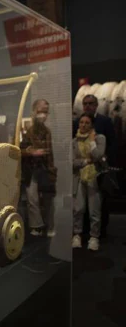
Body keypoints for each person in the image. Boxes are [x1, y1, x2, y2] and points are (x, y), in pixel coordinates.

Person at [73, 94, 117, 238]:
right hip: (81, 170)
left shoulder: (105, 121)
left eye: (91, 103)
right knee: (80, 206)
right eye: (85, 103)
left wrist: (104, 160)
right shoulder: (76, 123)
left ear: (96, 105)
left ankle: (99, 233)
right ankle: (82, 232)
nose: (87, 106)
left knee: (98, 206)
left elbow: (112, 143)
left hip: (98, 169)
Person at [21, 99, 57, 237]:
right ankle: (36, 225)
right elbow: (20, 149)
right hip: (31, 169)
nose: (43, 115)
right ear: (34, 111)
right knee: (32, 199)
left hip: (44, 168)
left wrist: (52, 170)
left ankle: (50, 226)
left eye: (45, 112)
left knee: (48, 199)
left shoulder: (47, 131)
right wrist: (31, 151)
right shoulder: (28, 131)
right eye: (40, 111)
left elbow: (50, 153)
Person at [72, 113, 106, 251]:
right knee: (78, 208)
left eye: (87, 122)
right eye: (81, 122)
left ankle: (94, 237)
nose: (84, 125)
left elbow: (98, 156)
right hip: (79, 177)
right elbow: (72, 162)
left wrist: (92, 142)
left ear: (91, 124)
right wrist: (86, 161)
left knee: (94, 210)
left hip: (94, 177)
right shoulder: (74, 141)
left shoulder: (99, 138)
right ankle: (77, 235)